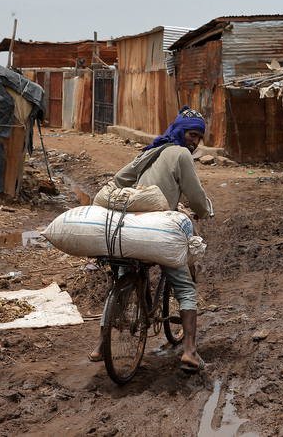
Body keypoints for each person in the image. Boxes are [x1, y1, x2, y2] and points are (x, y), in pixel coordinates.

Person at [89, 106, 212, 373]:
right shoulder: (180, 154)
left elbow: (121, 179)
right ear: (181, 131)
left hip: (132, 227)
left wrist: (135, 195)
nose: (195, 142)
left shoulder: (151, 150)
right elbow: (195, 194)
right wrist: (203, 211)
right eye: (192, 135)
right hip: (159, 230)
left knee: (121, 276)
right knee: (185, 287)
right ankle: (190, 351)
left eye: (199, 138)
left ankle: (101, 345)